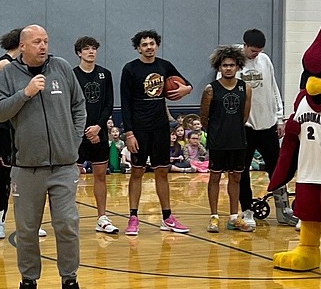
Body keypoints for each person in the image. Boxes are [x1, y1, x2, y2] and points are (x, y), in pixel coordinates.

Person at [0, 24, 87, 289]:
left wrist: (74, 138)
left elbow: (78, 106)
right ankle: (28, 282)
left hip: (63, 165)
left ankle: (70, 281)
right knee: (27, 229)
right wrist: (25, 93)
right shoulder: (8, 73)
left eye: (46, 40)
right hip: (26, 167)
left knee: (67, 225)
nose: (43, 46)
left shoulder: (61, 68)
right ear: (22, 46)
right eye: (36, 42)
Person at [120, 29, 192, 235]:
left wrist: (186, 90)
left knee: (162, 171)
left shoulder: (164, 66)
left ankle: (167, 217)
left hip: (160, 127)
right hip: (139, 128)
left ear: (157, 45)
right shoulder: (130, 69)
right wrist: (129, 133)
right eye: (144, 44)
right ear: (138, 48)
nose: (149, 47)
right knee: (137, 172)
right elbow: (125, 103)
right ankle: (133, 217)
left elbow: (187, 84)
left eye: (152, 43)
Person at [239, 29, 296, 229]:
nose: (256, 54)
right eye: (253, 51)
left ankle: (284, 210)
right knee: (242, 170)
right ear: (244, 45)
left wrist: (280, 117)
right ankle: (246, 211)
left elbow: (273, 88)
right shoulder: (233, 62)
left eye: (259, 51)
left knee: (277, 168)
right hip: (244, 127)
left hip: (267, 125)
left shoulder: (265, 60)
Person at [200, 45, 252, 233]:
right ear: (218, 67)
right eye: (224, 65)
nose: (228, 68)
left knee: (236, 177)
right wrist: (215, 133)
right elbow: (204, 117)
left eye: (231, 65)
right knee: (214, 177)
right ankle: (214, 217)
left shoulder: (245, 88)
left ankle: (233, 217)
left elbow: (244, 117)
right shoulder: (210, 89)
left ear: (238, 66)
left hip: (237, 140)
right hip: (217, 141)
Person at [73, 36, 119, 234]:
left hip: (99, 133)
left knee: (100, 176)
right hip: (77, 133)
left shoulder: (104, 74)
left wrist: (98, 127)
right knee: (70, 179)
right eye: (87, 49)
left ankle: (102, 217)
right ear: (79, 53)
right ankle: (67, 217)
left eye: (94, 48)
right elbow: (69, 105)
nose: (91, 52)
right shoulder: (71, 75)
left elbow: (109, 104)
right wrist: (84, 129)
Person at [0, 28, 22, 239]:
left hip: (25, 126)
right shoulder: (5, 64)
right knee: (5, 174)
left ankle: (27, 221)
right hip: (6, 126)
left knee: (29, 176)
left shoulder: (24, 66)